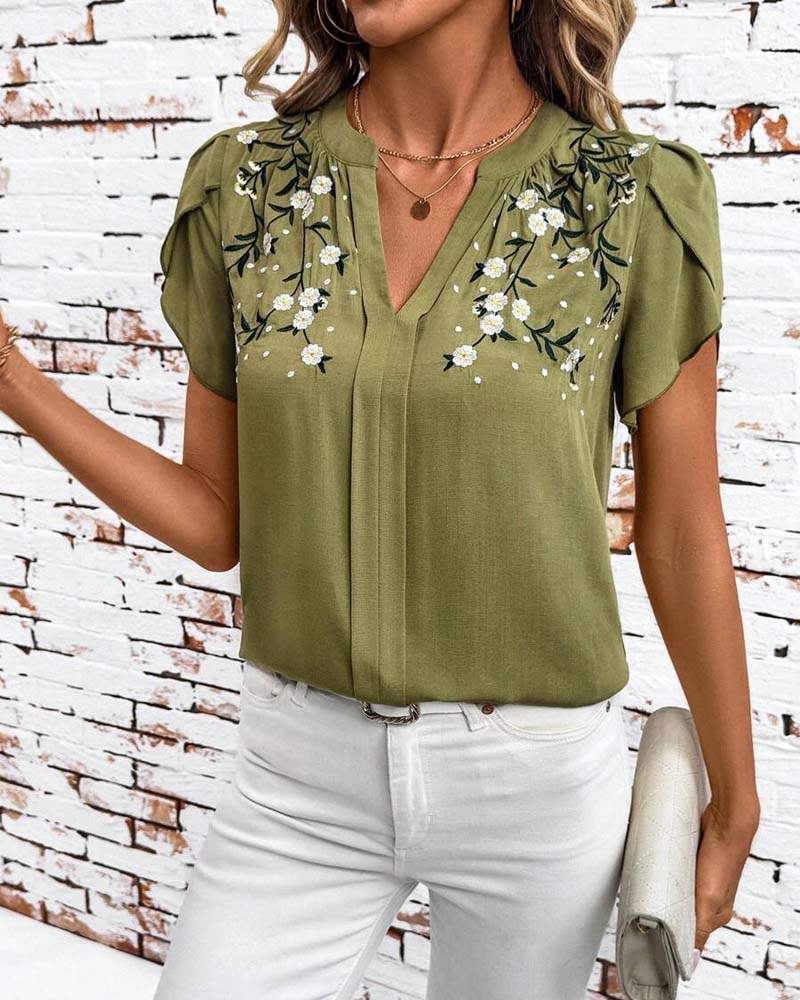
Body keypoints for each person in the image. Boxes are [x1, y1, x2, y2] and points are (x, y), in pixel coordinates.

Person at [0, 0, 761, 997]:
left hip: (533, 787)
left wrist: (736, 804)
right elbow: (216, 518)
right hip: (295, 780)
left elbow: (681, 526)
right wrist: (13, 378)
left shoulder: (626, 198)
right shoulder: (246, 185)